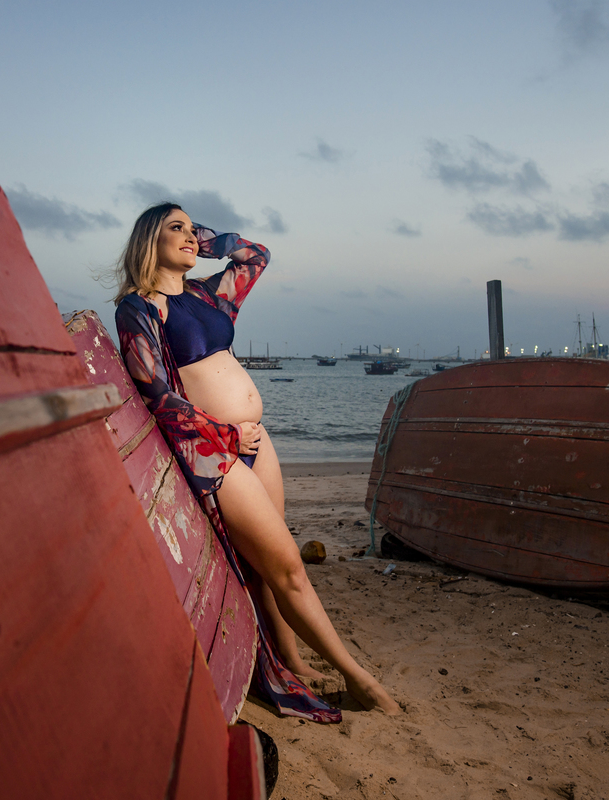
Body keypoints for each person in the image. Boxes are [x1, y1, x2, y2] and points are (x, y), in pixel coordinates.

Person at [113, 202, 400, 720]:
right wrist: (225, 432)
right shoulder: (139, 308)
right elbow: (156, 392)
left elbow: (255, 256)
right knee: (288, 565)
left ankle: (291, 658)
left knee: (272, 559)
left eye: (190, 228)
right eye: (174, 228)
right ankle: (361, 680)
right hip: (213, 450)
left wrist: (205, 238)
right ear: (148, 241)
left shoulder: (208, 296)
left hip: (253, 441)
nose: (188, 236)